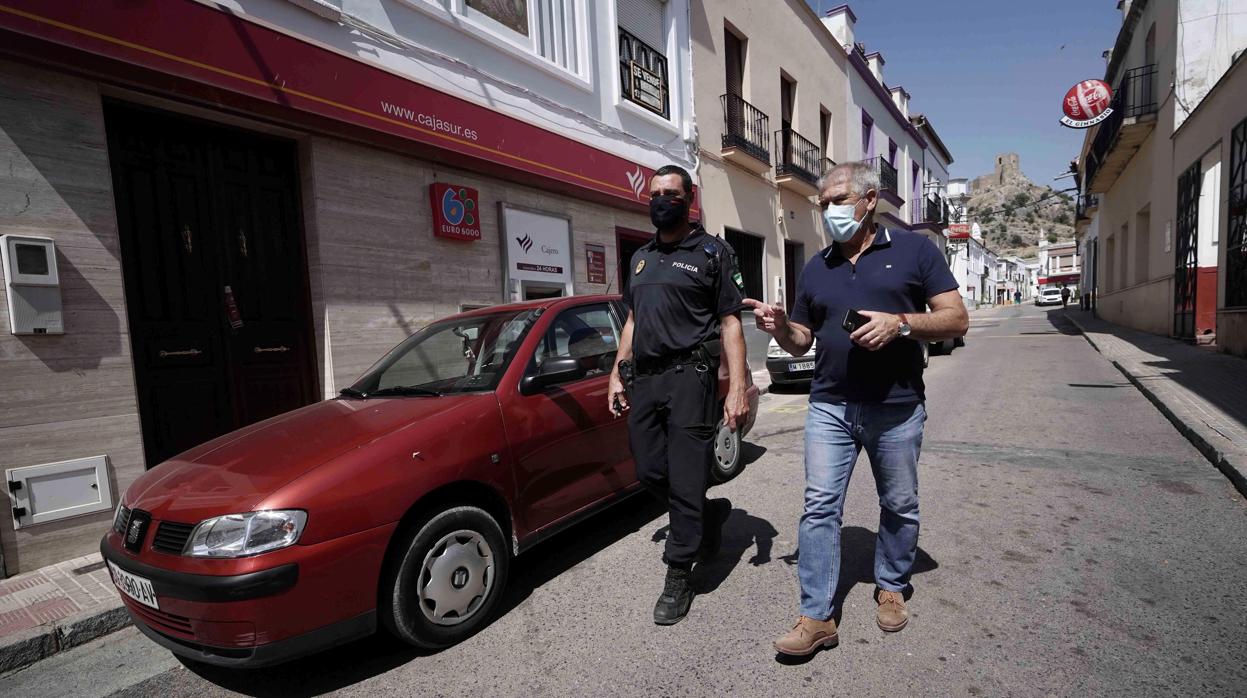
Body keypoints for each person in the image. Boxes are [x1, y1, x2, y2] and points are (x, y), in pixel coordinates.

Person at [746, 162, 968, 656]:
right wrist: (780, 326)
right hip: (830, 405)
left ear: (870, 200)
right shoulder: (816, 266)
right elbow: (802, 341)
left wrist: (902, 324)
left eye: (838, 200)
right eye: (823, 204)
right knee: (819, 507)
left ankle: (891, 582)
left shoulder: (913, 250)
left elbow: (956, 318)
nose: (828, 211)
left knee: (900, 504)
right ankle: (817, 616)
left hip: (897, 405)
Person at [608, 165, 751, 625]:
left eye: (670, 193)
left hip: (692, 376)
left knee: (687, 477)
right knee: (650, 470)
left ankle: (678, 571)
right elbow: (632, 320)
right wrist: (616, 372)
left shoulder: (713, 252)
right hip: (645, 379)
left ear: (689, 199)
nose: (660, 200)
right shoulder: (642, 258)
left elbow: (731, 321)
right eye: (654, 194)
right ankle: (705, 519)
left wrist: (738, 387)